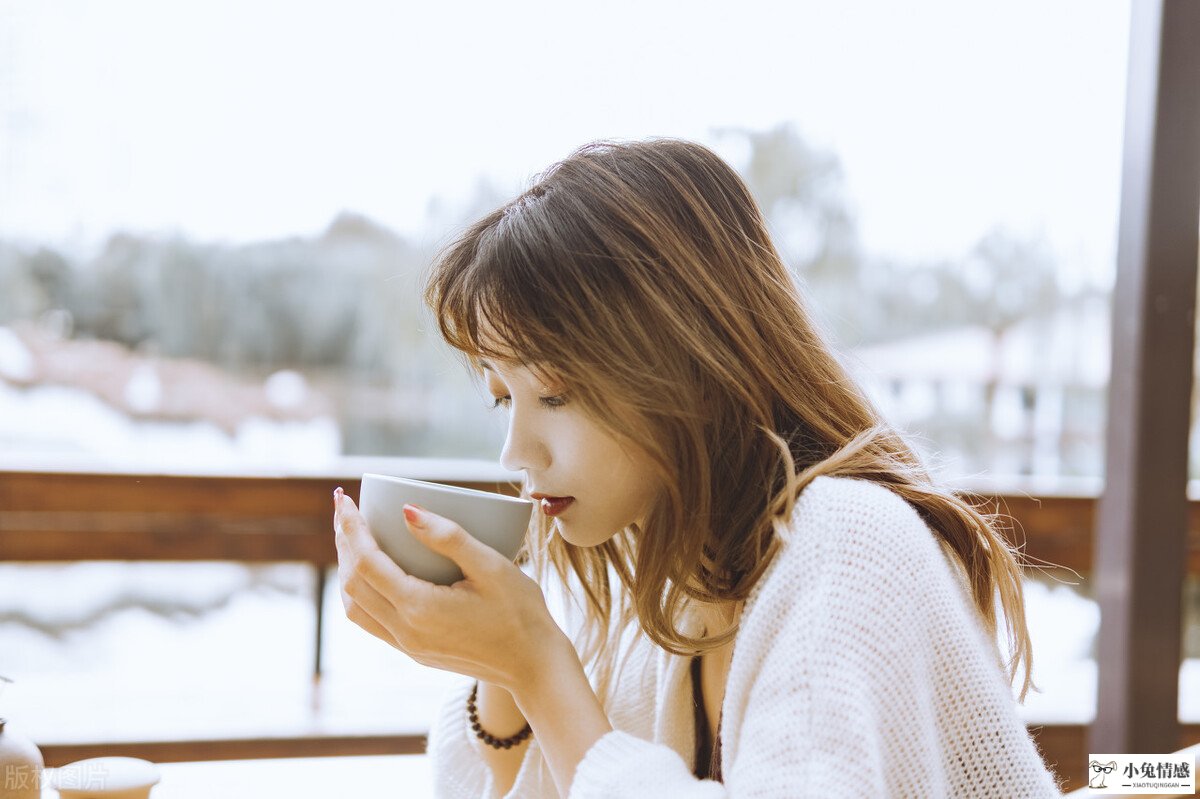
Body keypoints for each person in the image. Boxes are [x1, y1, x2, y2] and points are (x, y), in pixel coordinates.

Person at [331, 138, 1065, 798]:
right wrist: (498, 665)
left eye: (557, 392)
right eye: (502, 398)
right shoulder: (646, 579)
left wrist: (538, 669)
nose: (516, 453)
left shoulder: (847, 546)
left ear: (687, 367)